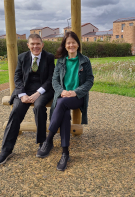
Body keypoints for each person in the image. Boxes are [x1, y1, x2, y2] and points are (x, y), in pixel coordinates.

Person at [36, 31, 94, 171]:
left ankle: (49, 140)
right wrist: (61, 91)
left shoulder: (85, 60)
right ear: (65, 45)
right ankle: (65, 153)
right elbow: (55, 80)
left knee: (61, 104)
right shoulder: (61, 61)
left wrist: (75, 92)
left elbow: (89, 80)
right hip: (62, 95)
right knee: (64, 114)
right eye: (68, 43)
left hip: (77, 97)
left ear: (78, 44)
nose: (71, 45)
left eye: (73, 42)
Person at [0, 34, 55, 165]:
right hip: (24, 91)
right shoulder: (22, 57)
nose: (35, 46)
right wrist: (22, 95)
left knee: (39, 107)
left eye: (38, 43)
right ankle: (6, 150)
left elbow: (51, 78)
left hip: (43, 90)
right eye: (32, 44)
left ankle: (43, 143)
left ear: (42, 44)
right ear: (28, 45)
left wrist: (38, 93)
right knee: (16, 111)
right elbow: (17, 77)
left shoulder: (49, 57)